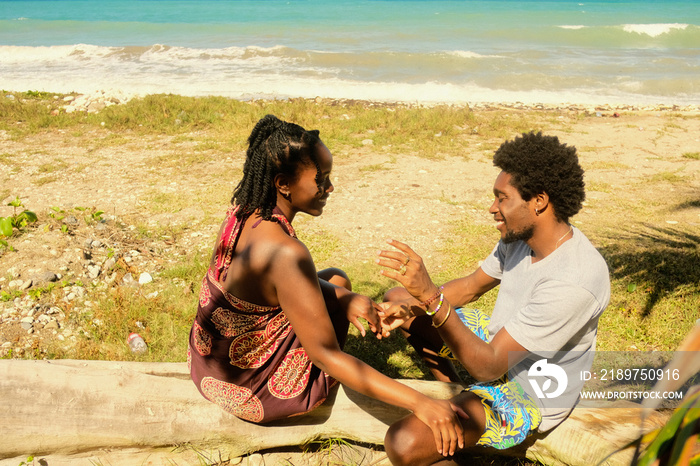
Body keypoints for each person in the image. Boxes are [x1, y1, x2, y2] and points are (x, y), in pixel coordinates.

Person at [188, 114, 465, 457]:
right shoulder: (286, 253)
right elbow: (328, 356)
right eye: (322, 178)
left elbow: (275, 288)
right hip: (250, 389)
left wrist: (345, 297)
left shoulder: (245, 210)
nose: (329, 188)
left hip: (206, 365)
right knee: (333, 293)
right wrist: (421, 403)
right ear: (283, 184)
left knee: (335, 279)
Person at [376, 131, 610, 465]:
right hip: (498, 344)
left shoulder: (575, 280)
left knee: (404, 443)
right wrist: (412, 303)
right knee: (399, 298)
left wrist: (430, 295)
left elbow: (488, 366)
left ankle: (469, 431)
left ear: (539, 201)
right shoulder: (520, 238)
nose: (492, 208)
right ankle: (459, 400)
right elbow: (470, 287)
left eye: (502, 198)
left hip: (530, 392)